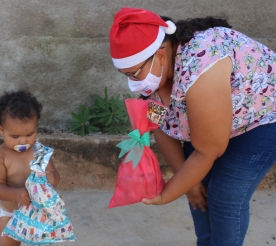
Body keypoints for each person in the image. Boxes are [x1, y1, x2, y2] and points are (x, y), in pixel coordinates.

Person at [109, 7, 276, 246]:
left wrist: (167, 195)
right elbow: (160, 126)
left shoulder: (201, 64)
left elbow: (208, 150)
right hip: (212, 127)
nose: (133, 83)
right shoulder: (152, 82)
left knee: (226, 195)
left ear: (162, 55)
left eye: (135, 73)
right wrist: (189, 184)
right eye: (126, 75)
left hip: (262, 118)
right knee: (198, 191)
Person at [0, 90, 60, 246]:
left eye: (30, 134)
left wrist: (52, 178)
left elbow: (54, 174)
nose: (23, 141)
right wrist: (16, 194)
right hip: (11, 214)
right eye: (15, 137)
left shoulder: (39, 151)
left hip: (39, 214)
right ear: (1, 130)